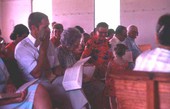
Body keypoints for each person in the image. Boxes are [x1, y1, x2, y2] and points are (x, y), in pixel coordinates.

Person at [14, 12, 88, 109]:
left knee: (73, 85)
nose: (48, 30)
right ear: (33, 28)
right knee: (67, 91)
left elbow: (56, 68)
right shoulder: (22, 48)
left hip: (51, 80)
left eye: (48, 26)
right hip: (35, 84)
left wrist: (73, 72)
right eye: (45, 27)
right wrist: (43, 49)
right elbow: (36, 74)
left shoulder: (48, 43)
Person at [57, 27, 105, 109]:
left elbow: (74, 66)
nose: (78, 45)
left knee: (100, 86)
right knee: (94, 87)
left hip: (76, 78)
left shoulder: (70, 52)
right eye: (76, 43)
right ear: (69, 42)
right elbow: (60, 71)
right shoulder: (58, 52)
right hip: (67, 81)